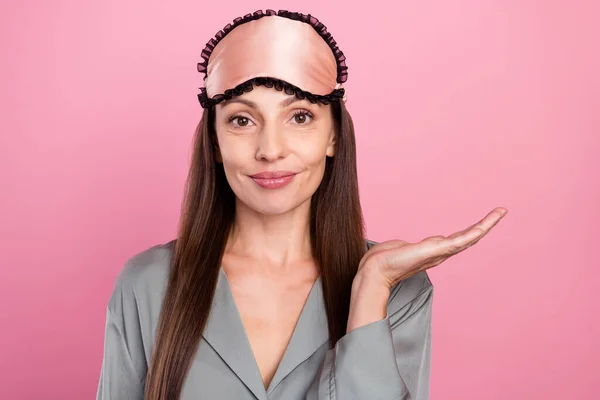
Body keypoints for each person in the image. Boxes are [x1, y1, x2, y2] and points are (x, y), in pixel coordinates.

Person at [96, 9, 507, 400]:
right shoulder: (146, 285)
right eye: (242, 119)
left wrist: (370, 291)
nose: (270, 150)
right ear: (216, 143)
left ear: (332, 137)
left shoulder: (399, 292)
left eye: (299, 117)